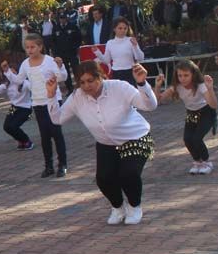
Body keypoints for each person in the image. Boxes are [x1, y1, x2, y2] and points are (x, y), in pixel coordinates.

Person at [46, 62, 157, 225]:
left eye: (91, 80)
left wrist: (142, 83)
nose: (86, 86)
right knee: (103, 178)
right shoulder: (77, 97)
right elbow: (57, 119)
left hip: (136, 138)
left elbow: (150, 106)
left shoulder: (119, 87)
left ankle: (134, 206)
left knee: (128, 174)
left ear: (100, 76)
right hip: (106, 143)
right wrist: (51, 96)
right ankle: (118, 207)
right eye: (82, 82)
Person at [2, 35, 69, 177]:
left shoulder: (50, 61)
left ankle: (62, 164)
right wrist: (8, 71)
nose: (30, 50)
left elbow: (62, 77)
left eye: (33, 47)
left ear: (40, 47)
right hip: (38, 102)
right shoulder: (26, 64)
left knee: (56, 133)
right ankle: (48, 165)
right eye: (27, 47)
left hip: (52, 100)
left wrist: (60, 66)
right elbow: (19, 79)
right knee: (44, 135)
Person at [154, 61, 218, 175]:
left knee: (197, 138)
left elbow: (213, 105)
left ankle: (207, 162)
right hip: (191, 114)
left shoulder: (201, 86)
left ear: (193, 74)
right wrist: (158, 86)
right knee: (188, 139)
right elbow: (158, 101)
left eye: (186, 75)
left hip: (206, 113)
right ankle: (198, 162)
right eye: (180, 75)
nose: (182, 78)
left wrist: (210, 89)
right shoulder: (176, 87)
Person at [92, 17, 144, 85]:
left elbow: (140, 58)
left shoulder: (131, 40)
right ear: (114, 29)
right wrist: (98, 53)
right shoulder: (110, 43)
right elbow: (106, 60)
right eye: (120, 28)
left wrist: (136, 46)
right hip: (116, 73)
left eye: (125, 28)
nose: (123, 30)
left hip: (130, 72)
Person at [53, 11, 82, 93]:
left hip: (72, 53)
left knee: (76, 70)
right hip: (62, 54)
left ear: (66, 18)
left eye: (64, 18)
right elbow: (53, 42)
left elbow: (79, 38)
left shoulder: (73, 26)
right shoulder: (56, 28)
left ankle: (80, 87)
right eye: (60, 18)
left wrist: (75, 48)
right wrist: (56, 53)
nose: (62, 20)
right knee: (66, 72)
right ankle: (70, 89)